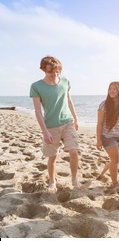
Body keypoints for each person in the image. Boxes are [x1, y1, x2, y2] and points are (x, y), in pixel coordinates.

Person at [30, 56, 81, 193]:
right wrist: (44, 131)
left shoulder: (65, 82)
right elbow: (37, 110)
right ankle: (52, 182)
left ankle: (74, 179)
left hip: (67, 122)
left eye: (57, 71)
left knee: (74, 151)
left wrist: (76, 118)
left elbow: (69, 101)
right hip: (50, 126)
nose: (55, 74)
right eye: (51, 72)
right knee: (53, 156)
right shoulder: (36, 86)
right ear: (43, 70)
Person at [96, 82, 119, 186]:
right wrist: (98, 140)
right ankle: (115, 182)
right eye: (110, 89)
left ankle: (108, 165)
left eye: (114, 89)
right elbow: (100, 123)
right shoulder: (104, 104)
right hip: (107, 136)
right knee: (115, 159)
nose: (112, 91)